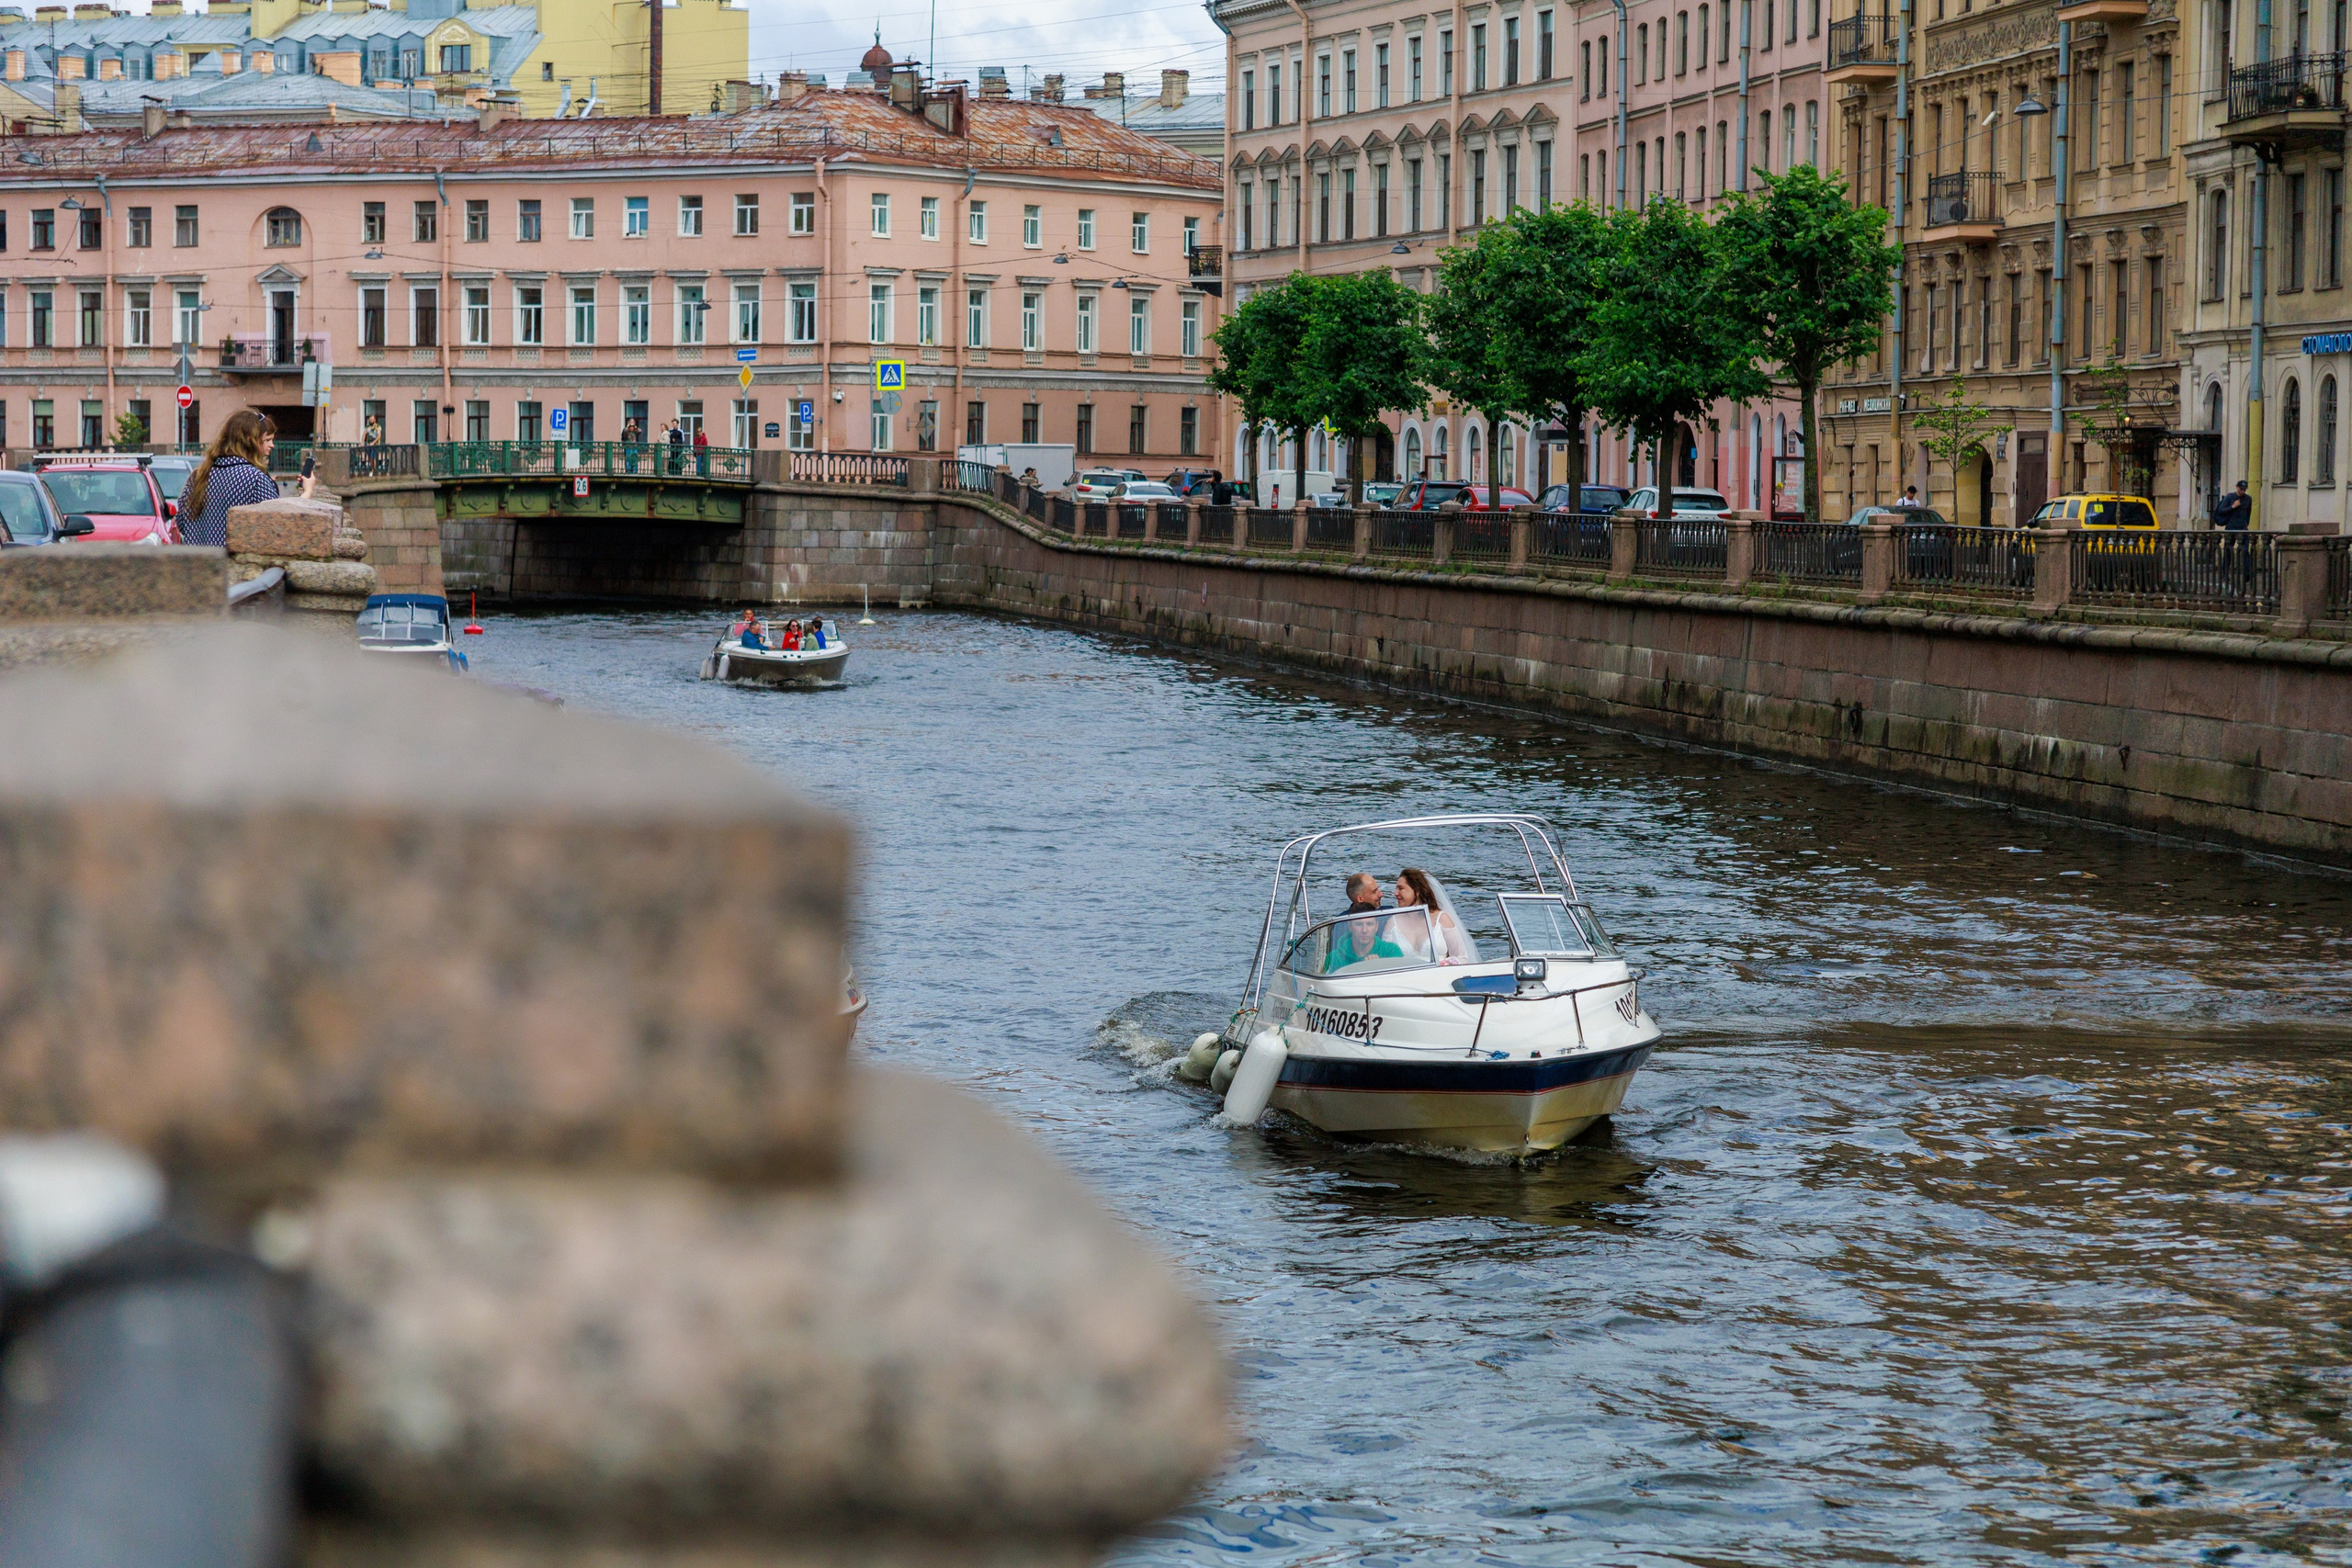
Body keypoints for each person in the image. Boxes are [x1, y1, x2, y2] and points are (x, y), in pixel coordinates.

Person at [177, 410, 286, 549]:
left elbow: (182, 523)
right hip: (234, 568)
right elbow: (276, 526)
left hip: (198, 566)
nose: (272, 445)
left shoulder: (198, 476)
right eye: (266, 440)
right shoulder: (256, 479)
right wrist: (305, 496)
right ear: (250, 440)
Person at [1395, 868, 1466, 964]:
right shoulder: (1393, 922)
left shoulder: (1442, 919)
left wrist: (1448, 963)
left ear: (1417, 891)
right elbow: (1385, 959)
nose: (1395, 893)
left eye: (1401, 888)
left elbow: (1462, 958)